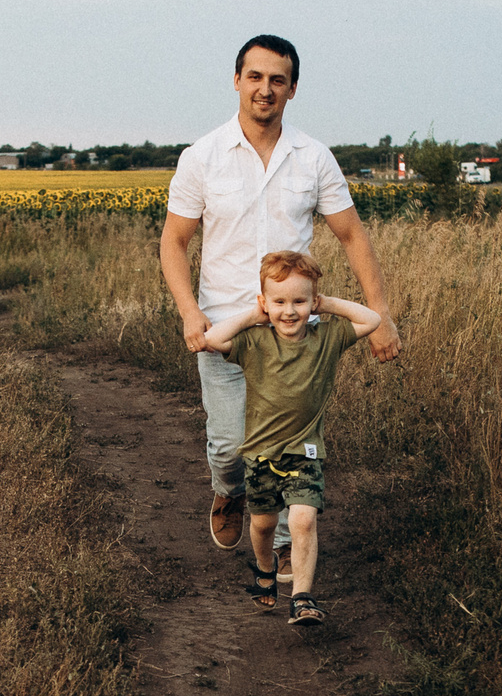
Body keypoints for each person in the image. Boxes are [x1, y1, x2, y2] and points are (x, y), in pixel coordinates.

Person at [160, 35, 401, 580]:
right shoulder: (202, 157)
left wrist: (380, 315)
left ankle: (293, 541)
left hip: (296, 331)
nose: (265, 89)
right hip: (227, 328)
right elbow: (174, 242)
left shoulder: (313, 158)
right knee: (228, 445)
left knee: (295, 442)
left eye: (277, 80)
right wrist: (188, 313)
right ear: (237, 80)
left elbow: (352, 236)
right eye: (255, 77)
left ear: (292, 89)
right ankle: (228, 492)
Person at [198, 251, 384, 625]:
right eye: (279, 302)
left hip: (305, 451)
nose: (290, 311)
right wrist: (255, 314)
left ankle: (301, 596)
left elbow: (372, 319)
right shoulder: (255, 342)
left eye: (300, 301)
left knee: (302, 520)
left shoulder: (326, 337)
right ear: (266, 303)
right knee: (264, 524)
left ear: (312, 302)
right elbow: (211, 340)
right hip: (261, 456)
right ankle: (265, 571)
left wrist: (325, 304)